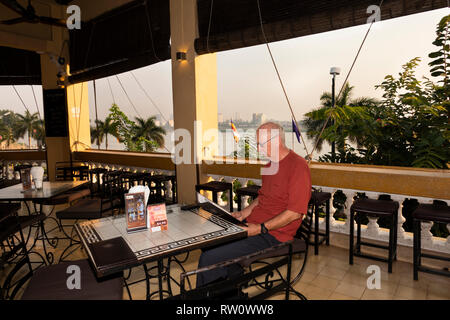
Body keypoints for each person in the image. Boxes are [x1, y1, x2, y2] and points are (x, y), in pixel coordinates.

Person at [196, 122, 311, 287]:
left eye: (261, 144)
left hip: (273, 234)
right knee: (209, 239)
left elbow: (294, 213)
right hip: (255, 225)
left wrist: (260, 228)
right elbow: (262, 197)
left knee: (210, 257)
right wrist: (244, 212)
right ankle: (231, 289)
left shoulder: (298, 166)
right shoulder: (270, 166)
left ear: (276, 140)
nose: (258, 148)